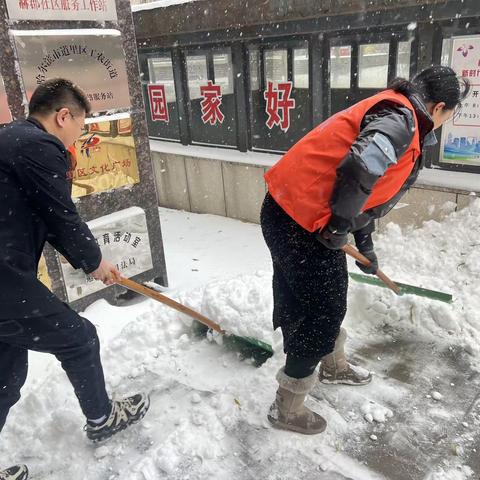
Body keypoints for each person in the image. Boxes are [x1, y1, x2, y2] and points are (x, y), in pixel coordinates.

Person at [261, 66, 469, 435]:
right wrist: (339, 227)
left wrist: (365, 245)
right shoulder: (400, 119)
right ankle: (288, 406)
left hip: (296, 212)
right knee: (321, 310)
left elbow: (367, 191)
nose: (448, 120)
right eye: (451, 113)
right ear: (439, 107)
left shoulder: (398, 113)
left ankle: (331, 363)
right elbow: (360, 167)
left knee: (325, 296)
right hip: (300, 220)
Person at [0, 79, 150, 479]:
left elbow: (45, 218)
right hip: (3, 282)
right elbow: (61, 215)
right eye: (79, 126)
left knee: (5, 377)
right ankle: (103, 419)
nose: (77, 136)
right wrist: (95, 259)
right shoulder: (38, 144)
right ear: (62, 115)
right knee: (79, 338)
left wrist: (90, 262)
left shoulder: (11, 140)